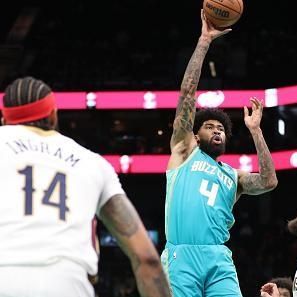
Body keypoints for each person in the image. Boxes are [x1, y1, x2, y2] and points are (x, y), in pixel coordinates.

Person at [0, 77, 171, 297]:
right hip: (67, 284)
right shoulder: (92, 162)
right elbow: (146, 259)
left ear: (4, 119)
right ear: (53, 114)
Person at [161, 10, 278, 297]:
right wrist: (204, 41)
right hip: (180, 256)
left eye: (221, 129)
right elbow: (188, 93)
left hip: (218, 258)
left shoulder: (232, 176)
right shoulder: (184, 151)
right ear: (195, 134)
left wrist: (255, 130)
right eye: (210, 127)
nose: (217, 131)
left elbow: (268, 181)